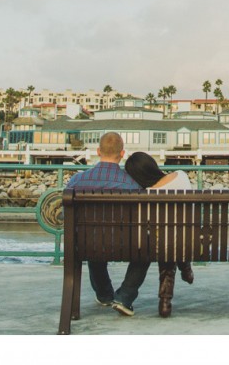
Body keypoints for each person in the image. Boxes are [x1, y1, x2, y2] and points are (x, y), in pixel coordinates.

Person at [65, 132, 150, 317]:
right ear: (122, 153)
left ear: (97, 151)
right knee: (146, 248)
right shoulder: (133, 183)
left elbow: (67, 215)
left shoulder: (76, 181)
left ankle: (104, 295)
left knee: (93, 239)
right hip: (125, 245)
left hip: (86, 244)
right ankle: (125, 296)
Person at [124, 151, 195, 318]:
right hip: (191, 240)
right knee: (174, 238)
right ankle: (185, 266)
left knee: (165, 241)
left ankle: (165, 303)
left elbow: (145, 223)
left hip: (166, 243)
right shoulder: (181, 175)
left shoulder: (147, 193)